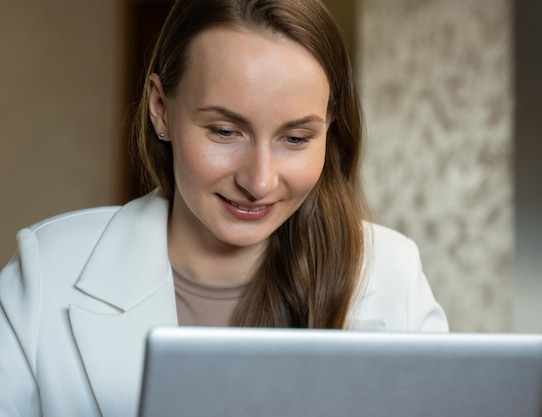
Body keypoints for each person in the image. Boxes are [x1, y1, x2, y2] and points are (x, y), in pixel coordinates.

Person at [0, 0, 448, 416]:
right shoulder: (48, 271)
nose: (259, 181)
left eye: (295, 139)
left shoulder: (393, 274)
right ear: (161, 109)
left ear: (328, 131)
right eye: (224, 131)